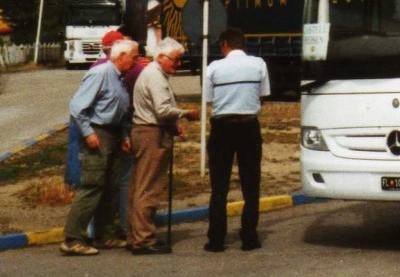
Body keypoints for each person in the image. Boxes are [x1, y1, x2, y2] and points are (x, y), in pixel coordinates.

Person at [60, 39, 138, 256]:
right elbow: (77, 107)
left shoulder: (119, 78)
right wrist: (88, 133)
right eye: (134, 56)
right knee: (92, 185)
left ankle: (106, 235)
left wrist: (123, 135)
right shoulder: (101, 73)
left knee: (111, 185)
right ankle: (73, 238)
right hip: (98, 132)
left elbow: (119, 109)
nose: (136, 60)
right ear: (121, 56)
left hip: (112, 132)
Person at [128, 38, 198, 255]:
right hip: (152, 133)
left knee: (139, 185)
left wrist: (174, 125)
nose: (178, 65)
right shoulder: (155, 77)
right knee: (149, 187)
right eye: (175, 61)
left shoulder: (153, 74)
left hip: (147, 130)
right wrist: (186, 113)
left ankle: (135, 235)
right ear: (161, 57)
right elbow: (162, 110)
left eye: (180, 61)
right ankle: (144, 239)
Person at [203, 27, 270, 252]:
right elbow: (262, 97)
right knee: (251, 185)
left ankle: (216, 239)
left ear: (225, 45)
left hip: (222, 129)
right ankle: (249, 237)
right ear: (243, 45)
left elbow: (209, 99)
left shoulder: (213, 68)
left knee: (219, 187)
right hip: (249, 127)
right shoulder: (259, 64)